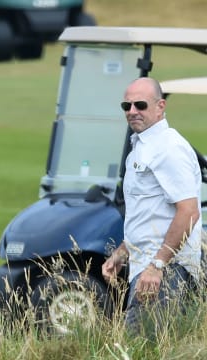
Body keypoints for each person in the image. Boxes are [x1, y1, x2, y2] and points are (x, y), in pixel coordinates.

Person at [102, 77, 202, 338]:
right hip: (147, 267)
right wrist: (123, 252)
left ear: (160, 106)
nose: (132, 111)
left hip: (165, 271)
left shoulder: (168, 147)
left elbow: (189, 211)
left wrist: (157, 265)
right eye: (127, 105)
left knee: (139, 348)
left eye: (140, 104)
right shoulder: (140, 149)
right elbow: (150, 214)